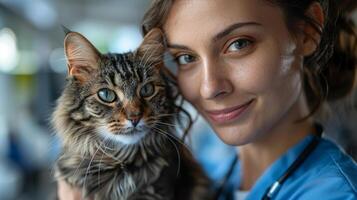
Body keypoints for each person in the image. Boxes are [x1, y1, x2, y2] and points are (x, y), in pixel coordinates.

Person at [59, 0, 357, 199]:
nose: (209, 87)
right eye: (185, 57)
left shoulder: (334, 192)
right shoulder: (216, 165)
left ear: (306, 34)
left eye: (239, 44)